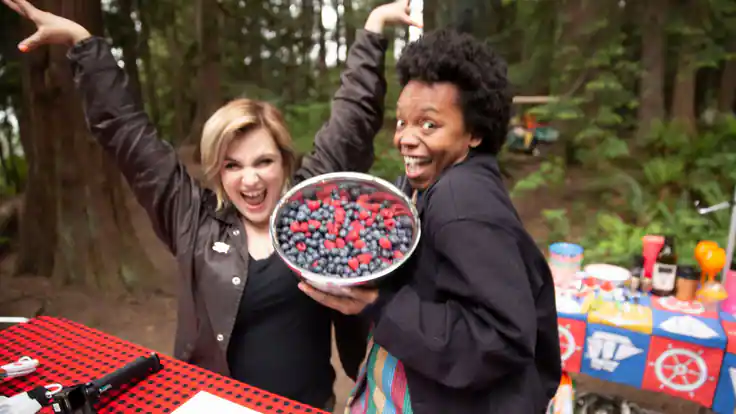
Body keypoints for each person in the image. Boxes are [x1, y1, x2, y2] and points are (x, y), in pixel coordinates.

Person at [2, 0, 421, 410]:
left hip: (307, 406)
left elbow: (353, 118)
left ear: (285, 163)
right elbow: (129, 135)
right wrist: (83, 42)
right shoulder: (191, 217)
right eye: (232, 165)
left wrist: (374, 25)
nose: (250, 178)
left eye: (264, 162)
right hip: (213, 404)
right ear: (218, 171)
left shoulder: (310, 203)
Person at [299, 28, 562, 413]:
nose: (405, 138)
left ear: (473, 132)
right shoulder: (427, 185)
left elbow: (501, 338)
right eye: (402, 122)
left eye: (429, 125)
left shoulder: (462, 200)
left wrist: (378, 304)